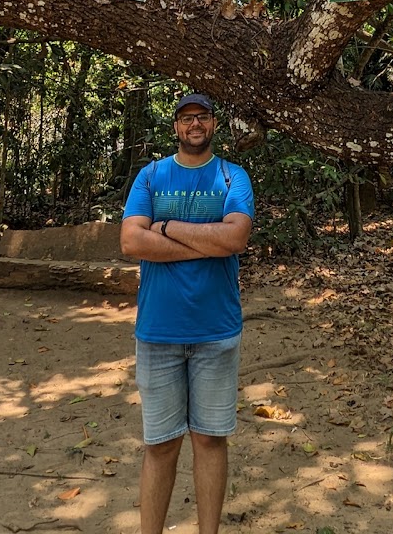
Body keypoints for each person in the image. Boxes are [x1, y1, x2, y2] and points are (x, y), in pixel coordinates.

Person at [120, 92, 255, 534]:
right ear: (175, 126)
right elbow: (131, 243)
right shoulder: (152, 174)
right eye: (185, 118)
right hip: (158, 330)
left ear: (214, 124)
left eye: (202, 117)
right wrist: (204, 240)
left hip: (216, 330)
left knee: (211, 440)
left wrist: (166, 228)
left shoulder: (233, 176)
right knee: (159, 446)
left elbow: (235, 239)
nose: (194, 124)